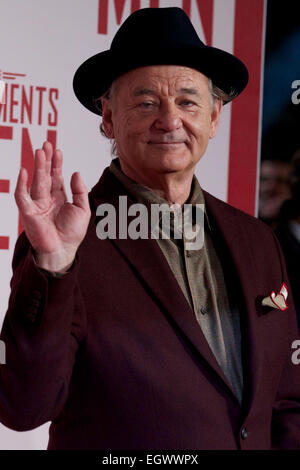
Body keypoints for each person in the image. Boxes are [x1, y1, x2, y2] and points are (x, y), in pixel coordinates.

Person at [1, 7, 300, 450]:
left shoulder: (257, 240)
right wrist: (53, 266)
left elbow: (289, 403)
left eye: (187, 101)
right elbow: (22, 408)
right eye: (145, 102)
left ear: (214, 117)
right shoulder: (65, 246)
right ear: (107, 117)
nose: (170, 120)